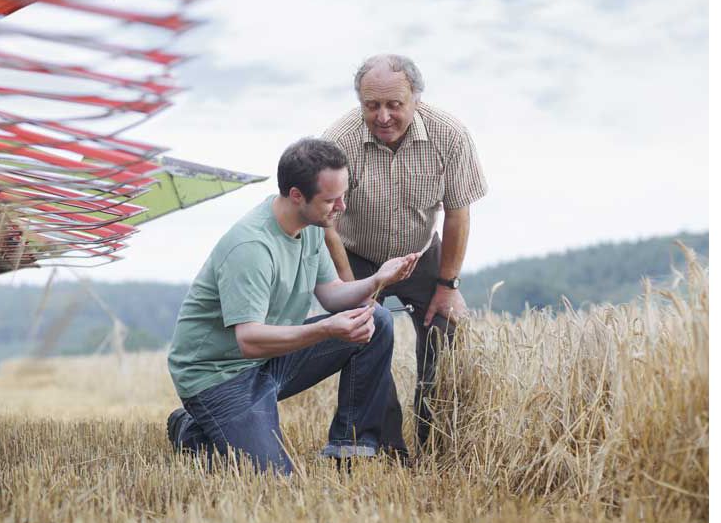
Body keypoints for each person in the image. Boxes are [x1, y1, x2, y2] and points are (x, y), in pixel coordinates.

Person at [164, 138, 421, 475]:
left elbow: (331, 294)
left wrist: (378, 280)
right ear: (297, 195)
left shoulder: (312, 225)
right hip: (218, 375)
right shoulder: (251, 246)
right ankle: (191, 428)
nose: (341, 207)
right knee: (273, 478)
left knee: (378, 320)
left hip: (269, 360)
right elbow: (250, 339)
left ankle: (350, 449)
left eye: (343, 195)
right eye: (331, 199)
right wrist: (326, 328)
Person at [321, 54, 488, 454]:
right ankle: (391, 448)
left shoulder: (450, 135)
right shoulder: (337, 142)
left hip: (420, 251)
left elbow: (458, 211)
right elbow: (325, 222)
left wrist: (448, 285)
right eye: (371, 105)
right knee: (364, 333)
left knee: (444, 333)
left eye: (394, 104)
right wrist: (349, 287)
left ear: (415, 97)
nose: (382, 117)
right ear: (359, 101)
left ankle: (435, 443)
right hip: (356, 253)